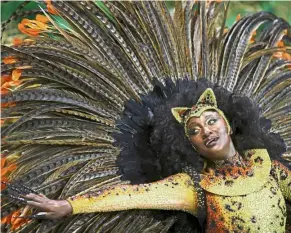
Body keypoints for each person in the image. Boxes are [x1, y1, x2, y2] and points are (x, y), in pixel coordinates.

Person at [1, 1, 290, 232]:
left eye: (211, 121)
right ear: (190, 146)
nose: (206, 131)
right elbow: (129, 196)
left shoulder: (270, 168)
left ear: (228, 123)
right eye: (194, 130)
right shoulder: (195, 188)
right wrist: (68, 206)